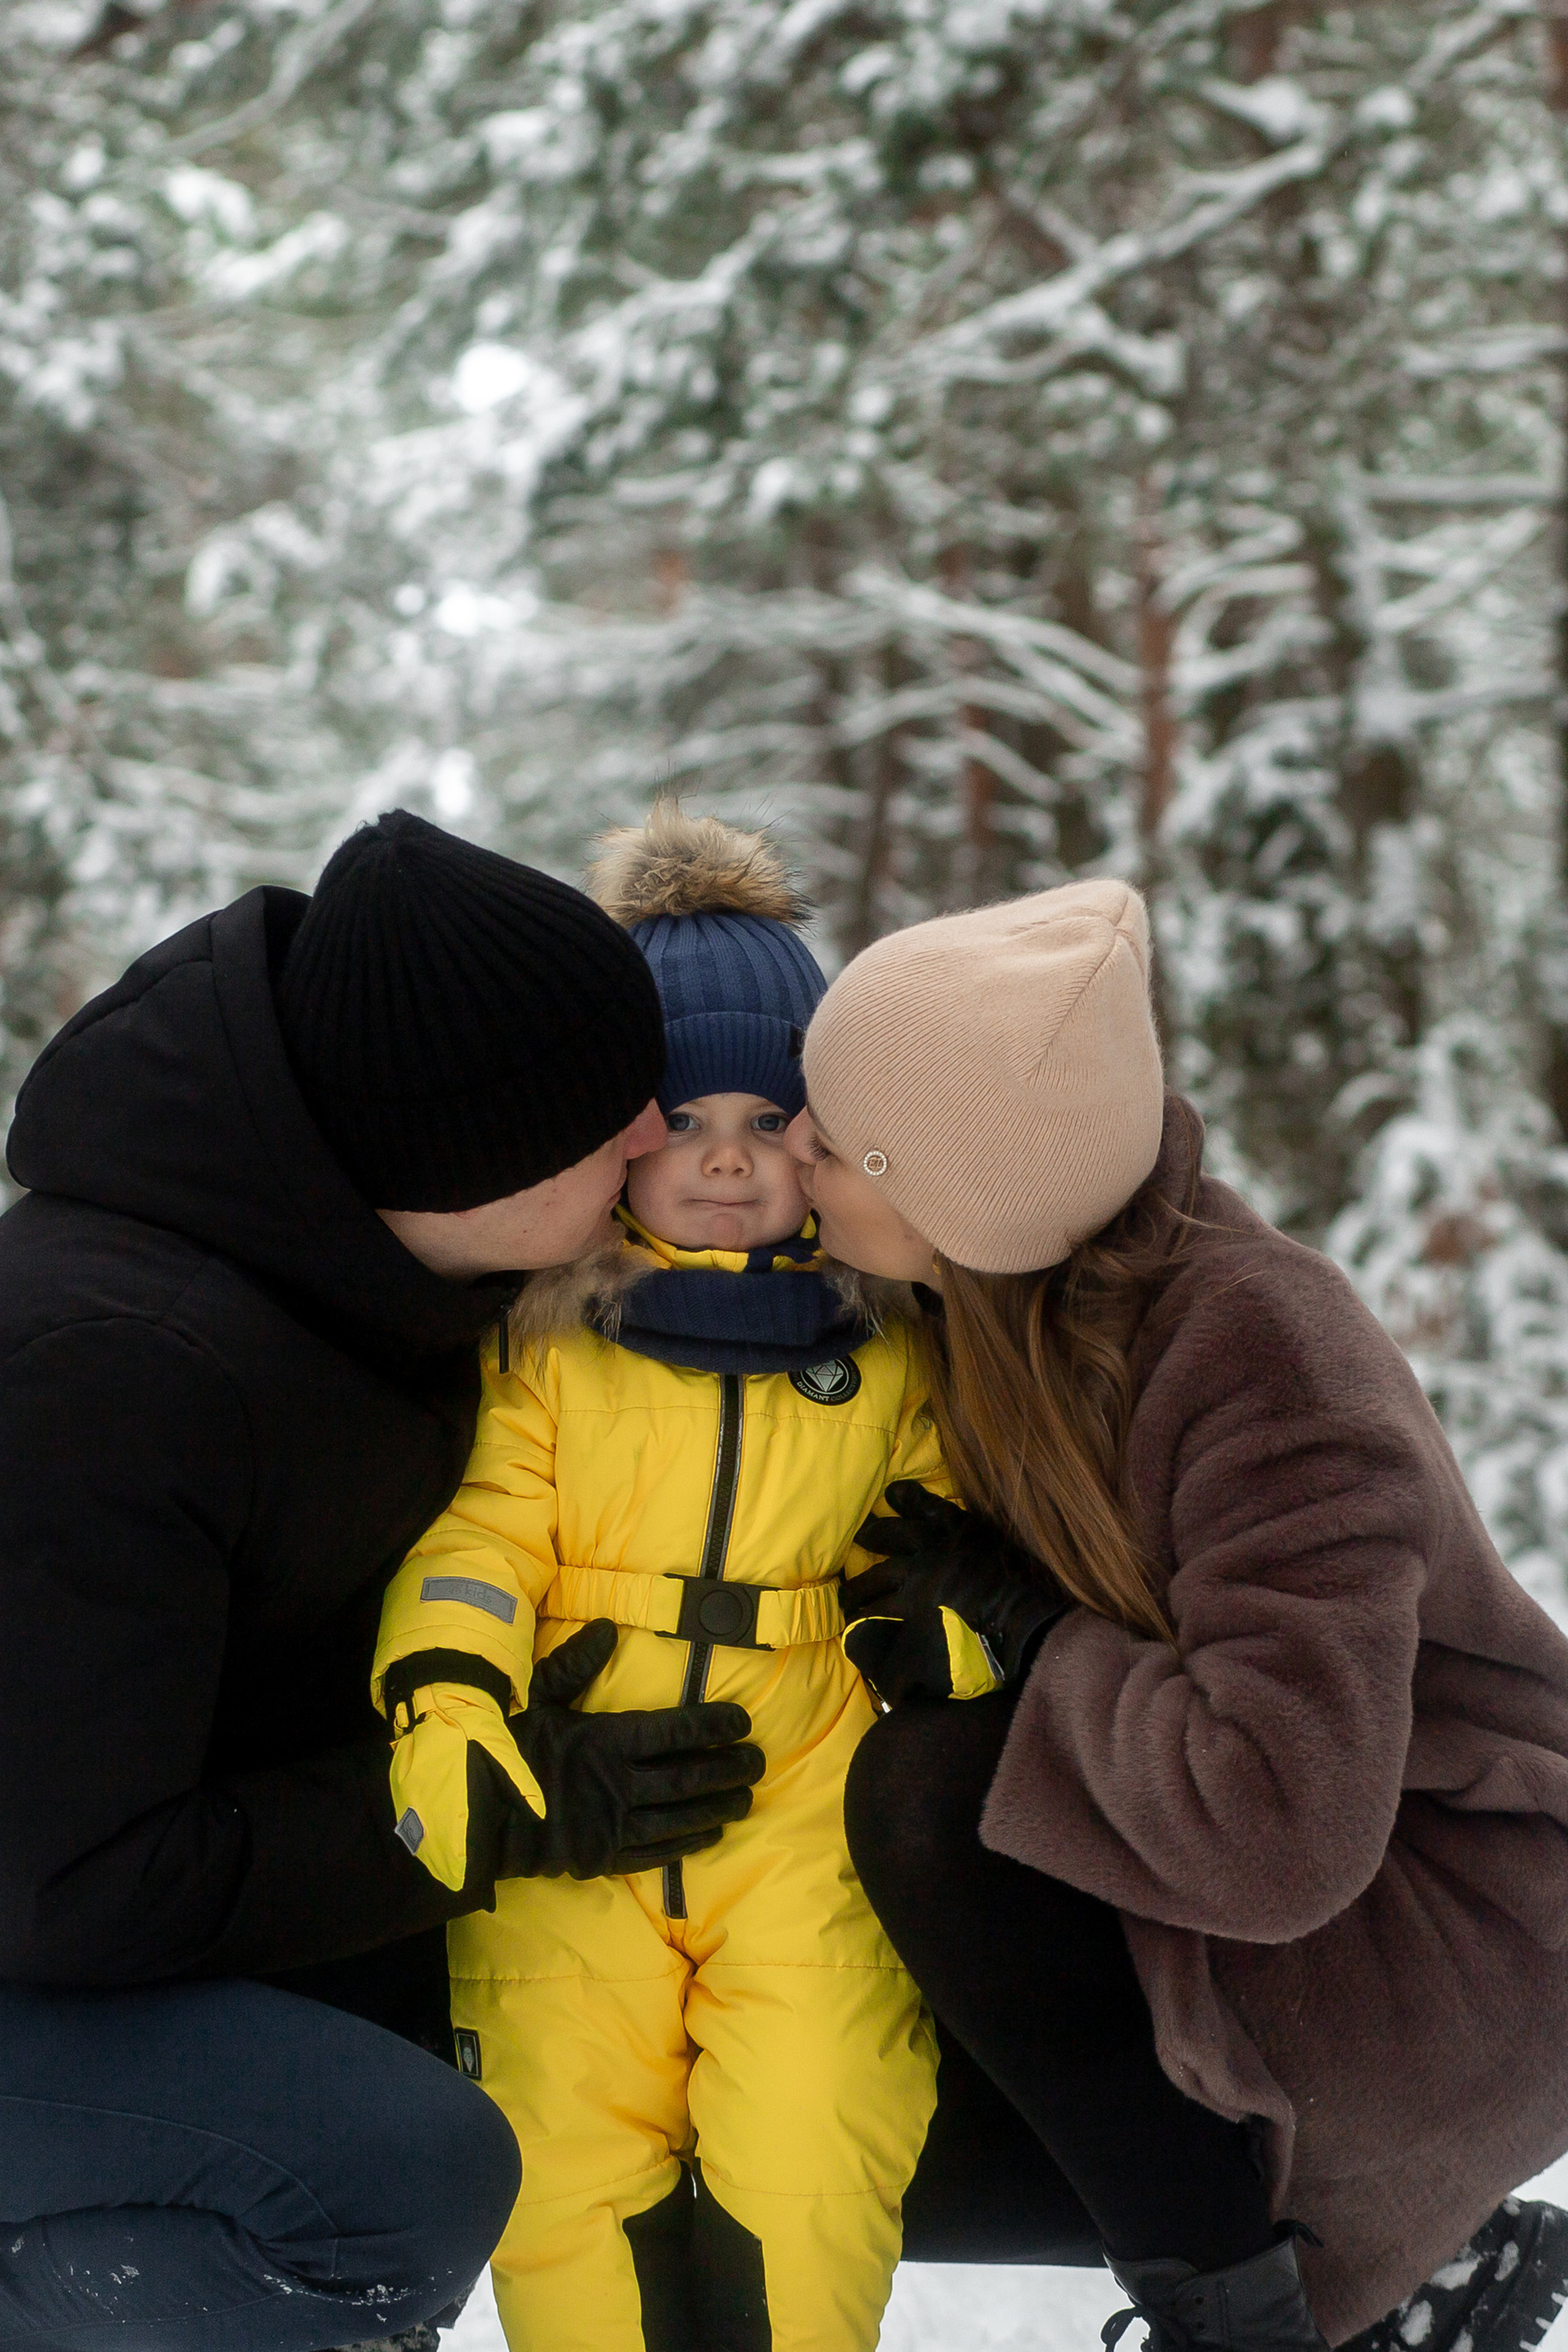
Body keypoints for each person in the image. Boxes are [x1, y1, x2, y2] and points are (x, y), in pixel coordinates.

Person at [0, 810, 762, 2352]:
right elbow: (61, 1892)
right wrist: (492, 1804)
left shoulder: (351, 1275)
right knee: (387, 2165)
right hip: (32, 1916)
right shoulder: (113, 1372)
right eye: (604, 1114)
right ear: (468, 1155)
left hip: (71, 1910)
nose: (650, 1138)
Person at [780, 878, 1568, 2352]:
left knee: (930, 1798)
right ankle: (1423, 2271)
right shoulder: (1001, 1301)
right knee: (806, 2118)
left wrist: (1031, 1647)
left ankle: (1271, 2313)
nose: (795, 1152)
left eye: (835, 1136)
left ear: (951, 1179)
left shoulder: (1264, 1355)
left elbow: (1279, 1825)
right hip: (1259, 1915)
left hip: (1446, 1937)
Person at [371, 808, 963, 2352]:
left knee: (820, 2130)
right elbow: (484, 1534)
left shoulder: (889, 1342)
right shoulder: (546, 1340)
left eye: (770, 1124)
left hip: (808, 1810)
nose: (722, 1159)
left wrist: (957, 1621)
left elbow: (949, 1511)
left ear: (826, 1138)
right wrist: (447, 1686)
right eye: (683, 1118)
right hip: (577, 1801)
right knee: (559, 2154)